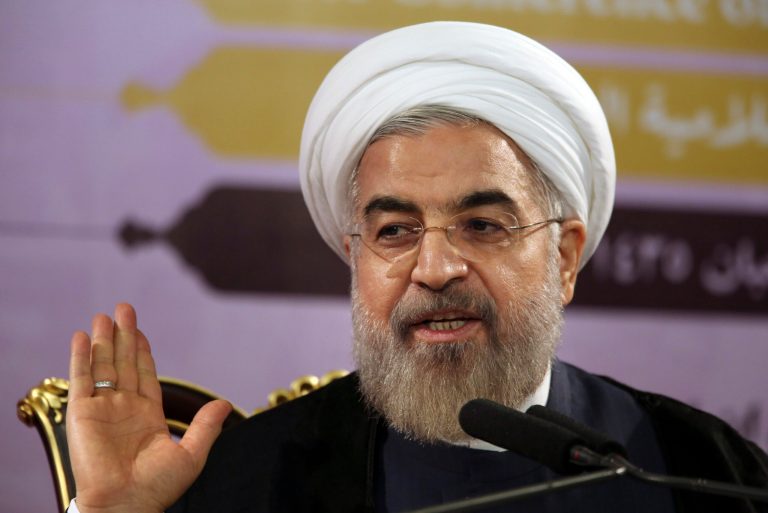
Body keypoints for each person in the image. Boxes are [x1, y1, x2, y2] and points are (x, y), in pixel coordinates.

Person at [65, 22, 768, 513]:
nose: (434, 268)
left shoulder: (695, 466)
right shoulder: (252, 478)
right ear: (356, 258)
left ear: (563, 255)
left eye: (482, 225)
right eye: (396, 231)